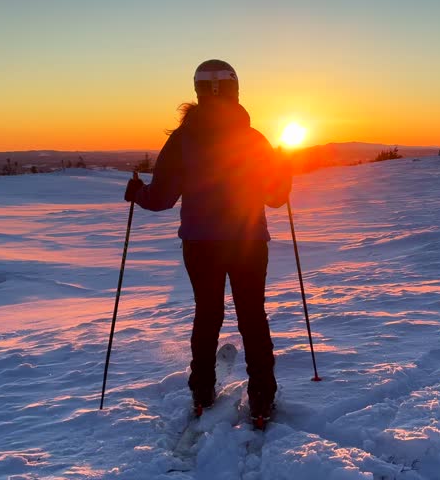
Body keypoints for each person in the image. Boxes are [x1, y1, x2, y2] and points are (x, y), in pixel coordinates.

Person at [124, 59, 292, 423]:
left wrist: (137, 191)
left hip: (200, 245)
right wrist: (283, 170)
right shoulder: (252, 139)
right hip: (247, 241)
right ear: (235, 91)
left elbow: (162, 200)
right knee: (252, 315)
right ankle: (262, 395)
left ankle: (202, 391)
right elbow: (276, 197)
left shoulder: (183, 140)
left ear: (198, 92)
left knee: (207, 313)